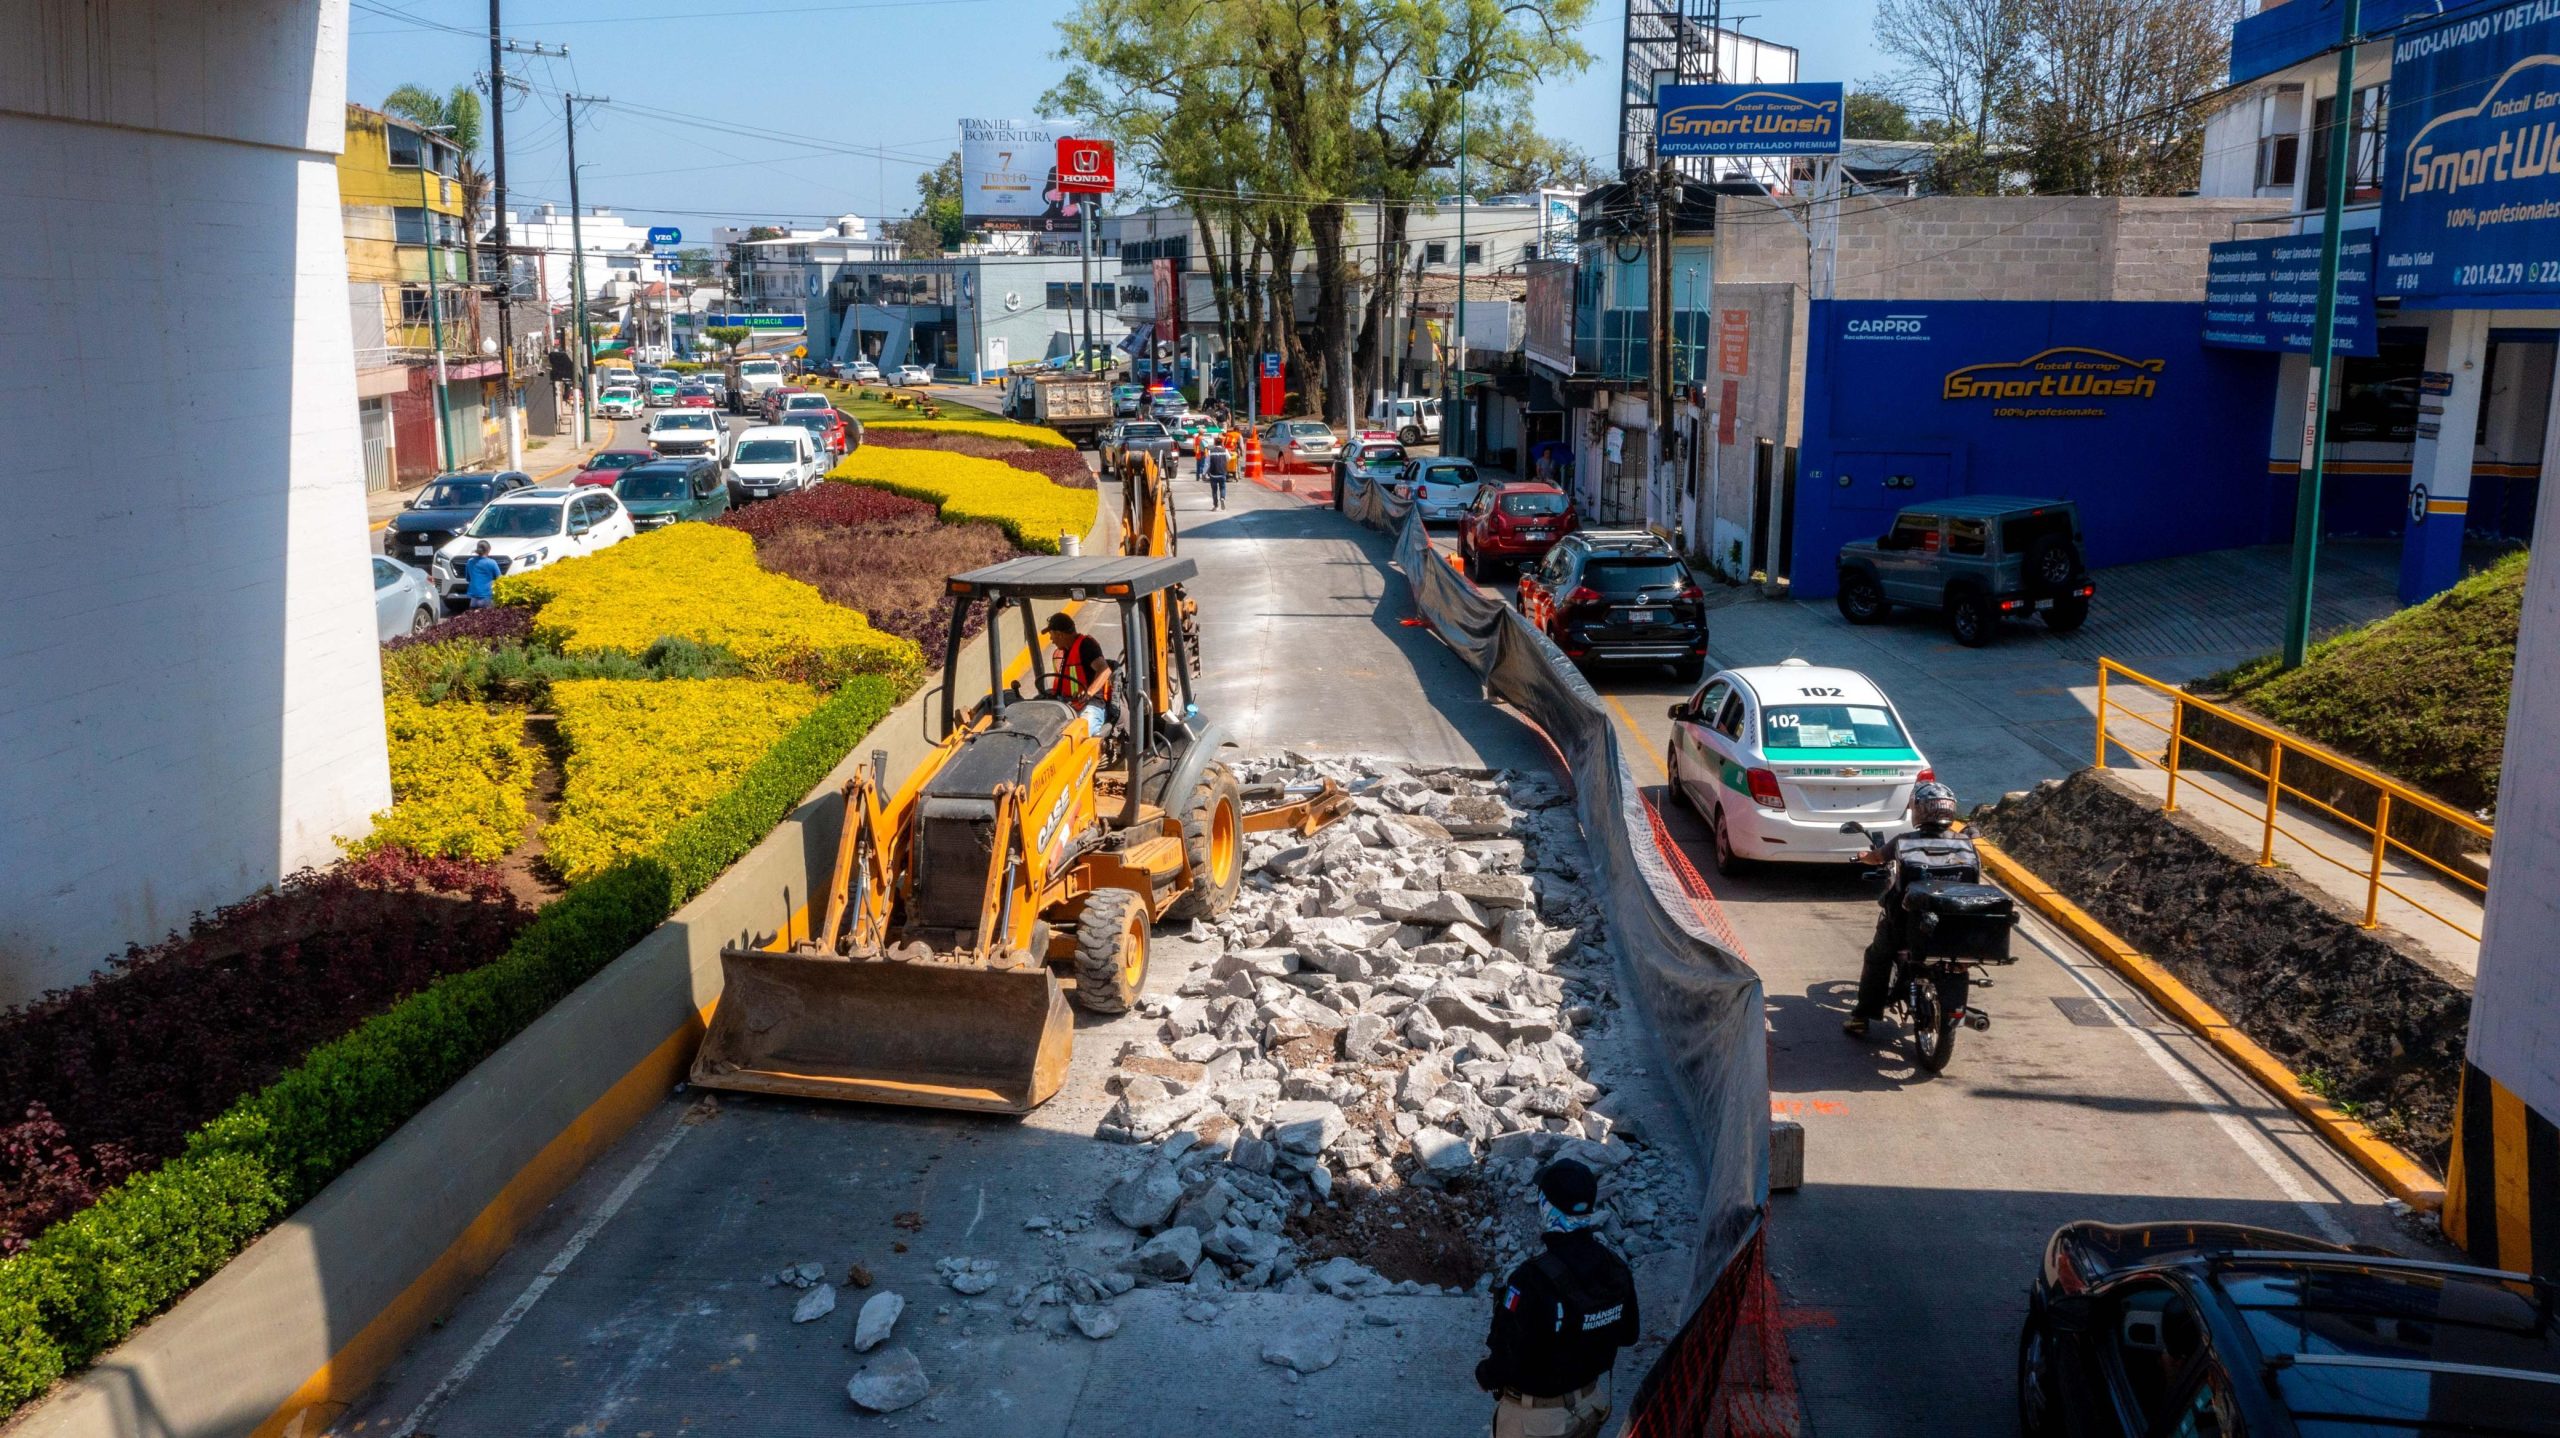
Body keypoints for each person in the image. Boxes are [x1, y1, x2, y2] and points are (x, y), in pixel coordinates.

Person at [1476, 1158, 1639, 1438]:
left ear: (1545, 1206)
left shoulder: (1529, 1280)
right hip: (1589, 1406)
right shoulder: (1614, 1266)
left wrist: (1485, 1375)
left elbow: (1507, 1357)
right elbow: (1629, 1335)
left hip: (1537, 1421)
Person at [1843, 780, 1973, 1038]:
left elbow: (1877, 857)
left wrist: (1862, 857)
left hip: (1906, 923)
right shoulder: (1965, 843)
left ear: (1920, 810)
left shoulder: (1904, 842)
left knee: (1877, 957)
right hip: (1955, 923)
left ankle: (1862, 1017)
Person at [1042, 612, 1115, 736]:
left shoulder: (1086, 645)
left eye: (1051, 635)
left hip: (1090, 706)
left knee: (1077, 735)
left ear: (1059, 634)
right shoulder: (1065, 652)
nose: (1051, 639)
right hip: (1067, 705)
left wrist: (1089, 693)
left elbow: (1105, 670)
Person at [463, 540, 503, 612]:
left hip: (473, 597)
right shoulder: (492, 562)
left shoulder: (470, 562)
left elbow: (467, 578)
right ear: (488, 550)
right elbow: (500, 579)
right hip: (487, 596)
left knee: (472, 620)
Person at [1201, 441, 1233, 510]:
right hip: (1222, 473)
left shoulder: (1210, 451)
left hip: (1213, 474)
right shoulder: (1225, 450)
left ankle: (1215, 505)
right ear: (1221, 443)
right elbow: (1229, 458)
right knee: (1222, 487)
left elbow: (1207, 464)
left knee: (1214, 490)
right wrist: (1224, 461)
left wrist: (1203, 474)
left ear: (1215, 444)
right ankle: (1222, 498)